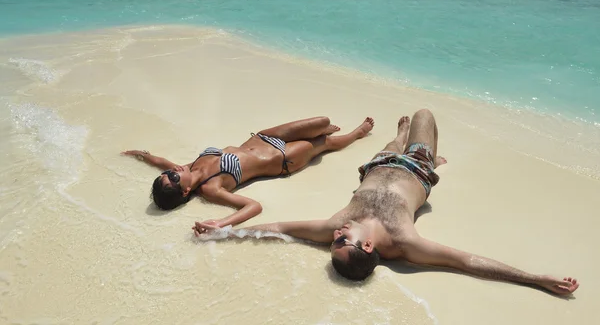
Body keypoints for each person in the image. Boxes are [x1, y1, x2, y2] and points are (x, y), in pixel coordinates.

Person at [193, 109, 579, 296]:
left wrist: (222, 231)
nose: (335, 236)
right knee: (425, 115)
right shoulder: (403, 241)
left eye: (335, 242)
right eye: (340, 243)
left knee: (392, 144)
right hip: (417, 168)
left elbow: (275, 228)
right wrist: (535, 279)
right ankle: (429, 153)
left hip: (375, 166)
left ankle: (397, 136)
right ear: (367, 247)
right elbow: (468, 262)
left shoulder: (338, 227)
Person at [122, 116, 375, 229]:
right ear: (185, 190)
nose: (173, 170)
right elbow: (252, 206)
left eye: (168, 172)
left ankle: (320, 132)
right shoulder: (210, 189)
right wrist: (220, 224)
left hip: (265, 137)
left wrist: (140, 154)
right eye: (173, 177)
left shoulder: (189, 168)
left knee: (321, 121)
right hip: (284, 159)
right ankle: (356, 134)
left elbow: (160, 160)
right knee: (326, 143)